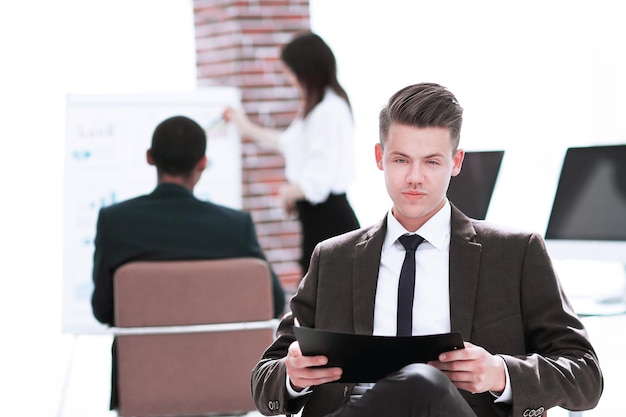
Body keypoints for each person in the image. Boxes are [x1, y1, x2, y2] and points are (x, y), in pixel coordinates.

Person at [250, 83, 603, 417]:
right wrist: (292, 376)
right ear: (380, 157)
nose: (415, 177)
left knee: (421, 382)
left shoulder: (514, 253)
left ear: (456, 161)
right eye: (401, 160)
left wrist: (501, 373)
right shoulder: (333, 258)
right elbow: (265, 378)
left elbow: (586, 376)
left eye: (432, 162)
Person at [91, 115, 286, 410]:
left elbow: (103, 310)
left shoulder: (115, 222)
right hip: (224, 393)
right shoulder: (234, 226)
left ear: (150, 158)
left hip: (145, 393)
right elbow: (271, 303)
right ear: (203, 162)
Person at [223, 32, 360, 274]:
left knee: (322, 301)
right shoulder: (318, 108)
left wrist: (289, 193)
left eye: (290, 72)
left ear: (305, 71)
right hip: (320, 219)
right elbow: (287, 143)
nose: (289, 79)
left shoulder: (327, 111)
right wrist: (242, 124)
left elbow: (318, 182)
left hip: (328, 220)